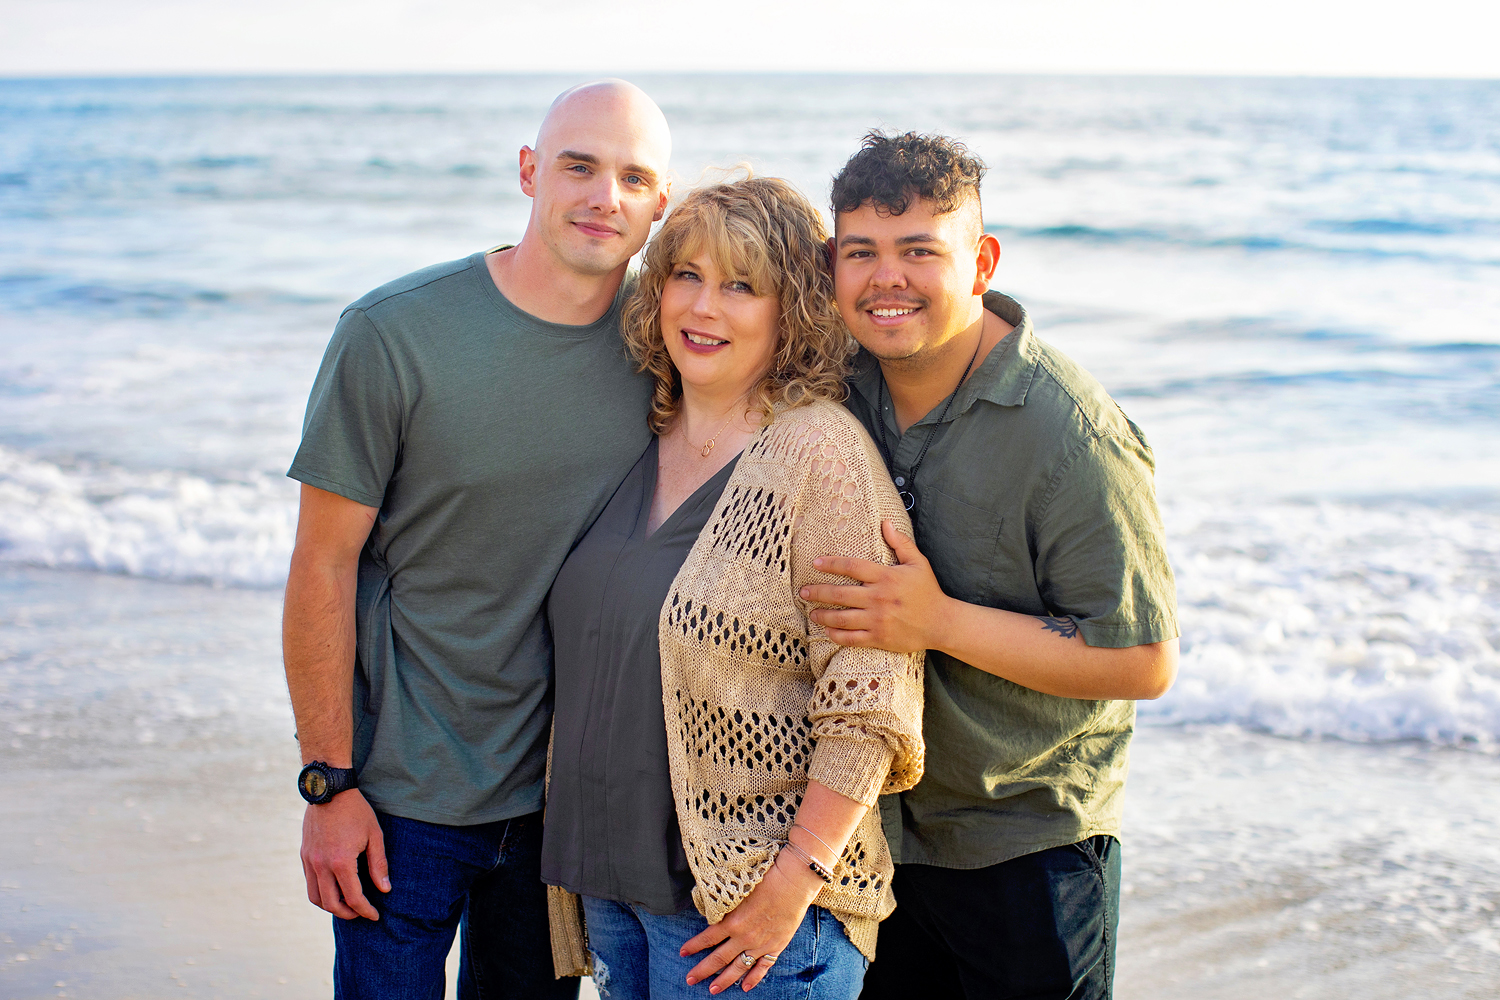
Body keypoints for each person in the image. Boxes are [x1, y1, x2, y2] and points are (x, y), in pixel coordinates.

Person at [280, 80, 671, 1000]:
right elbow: (322, 566)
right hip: (399, 797)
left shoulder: (672, 345)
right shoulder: (393, 334)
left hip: (563, 802)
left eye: (633, 177)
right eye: (579, 166)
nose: (603, 196)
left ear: (661, 206)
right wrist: (326, 789)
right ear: (531, 171)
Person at [800, 131, 1181, 1000]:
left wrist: (936, 622)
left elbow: (1142, 659)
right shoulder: (834, 383)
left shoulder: (1071, 434)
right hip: (874, 840)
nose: (885, 278)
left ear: (980, 264)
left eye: (918, 252)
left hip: (1027, 845)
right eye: (860, 252)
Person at [540, 177, 926, 1000]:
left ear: (794, 311)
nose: (704, 307)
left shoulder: (819, 457)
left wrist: (790, 887)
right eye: (687, 275)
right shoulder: (637, 434)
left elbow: (870, 700)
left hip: (753, 916)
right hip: (614, 893)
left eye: (742, 286)